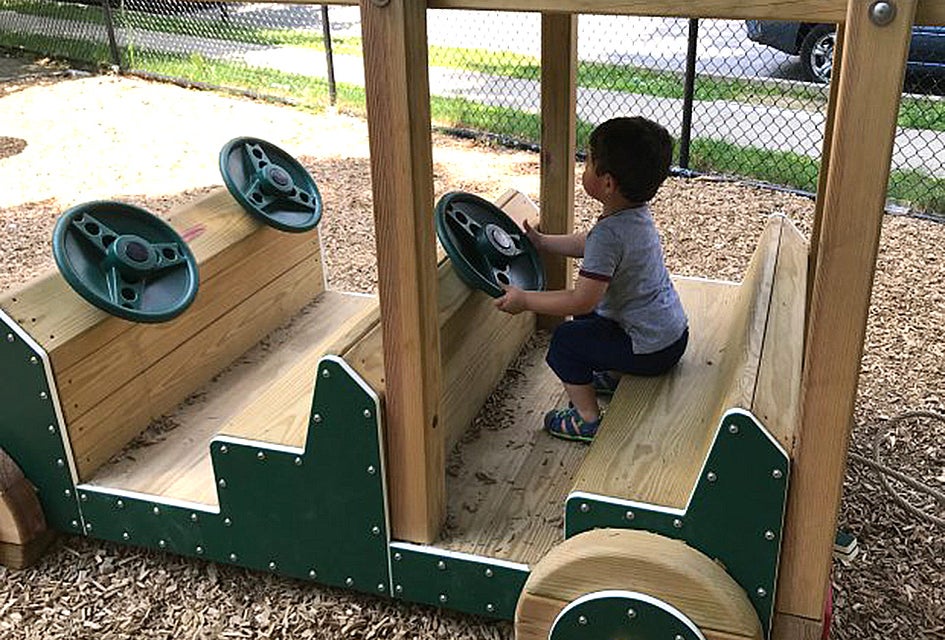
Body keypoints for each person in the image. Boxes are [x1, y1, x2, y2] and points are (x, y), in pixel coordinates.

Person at [494, 116, 689, 442]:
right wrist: (544, 243)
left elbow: (582, 298)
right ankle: (612, 373)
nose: (583, 169)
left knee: (566, 343)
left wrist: (525, 300)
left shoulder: (610, 235)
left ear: (608, 183)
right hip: (669, 336)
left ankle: (587, 419)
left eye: (587, 163)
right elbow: (591, 244)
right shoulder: (633, 216)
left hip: (650, 349)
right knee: (587, 319)